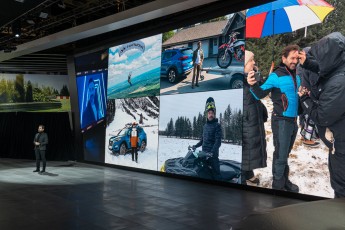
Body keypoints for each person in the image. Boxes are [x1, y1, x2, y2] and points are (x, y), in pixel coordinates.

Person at [247, 45, 301, 192]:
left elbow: (295, 95)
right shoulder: (275, 76)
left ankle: (284, 180)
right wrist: (253, 85)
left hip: (293, 121)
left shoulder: (296, 74)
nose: (295, 61)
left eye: (297, 58)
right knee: (280, 154)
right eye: (292, 58)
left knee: (285, 153)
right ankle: (278, 186)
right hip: (281, 121)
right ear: (284, 59)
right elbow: (260, 94)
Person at [298, 32, 345, 198]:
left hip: (341, 144)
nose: (318, 62)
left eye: (321, 57)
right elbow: (324, 68)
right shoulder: (339, 64)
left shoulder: (339, 83)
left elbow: (321, 116)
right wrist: (307, 63)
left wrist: (304, 98)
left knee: (341, 186)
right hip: (338, 139)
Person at [242, 50, 268, 186]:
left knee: (250, 148)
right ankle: (242, 178)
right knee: (246, 149)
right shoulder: (238, 78)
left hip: (254, 116)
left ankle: (248, 174)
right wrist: (246, 81)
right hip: (245, 120)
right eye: (251, 60)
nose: (254, 62)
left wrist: (258, 79)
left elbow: (262, 92)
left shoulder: (254, 74)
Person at [193, 97, 222, 180]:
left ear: (214, 114)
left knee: (216, 175)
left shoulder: (217, 125)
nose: (211, 114)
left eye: (212, 113)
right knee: (203, 173)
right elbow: (202, 140)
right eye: (209, 113)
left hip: (213, 156)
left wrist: (212, 153)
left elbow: (218, 142)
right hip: (204, 154)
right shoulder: (205, 126)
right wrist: (195, 146)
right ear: (207, 114)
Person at [296, 47, 320, 148]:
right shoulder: (310, 66)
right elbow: (313, 82)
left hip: (302, 91)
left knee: (304, 114)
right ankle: (308, 138)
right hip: (309, 93)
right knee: (310, 117)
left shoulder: (300, 65)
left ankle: (304, 135)